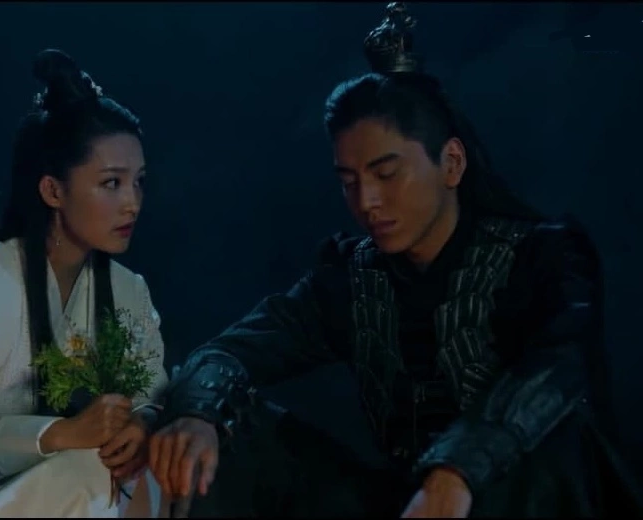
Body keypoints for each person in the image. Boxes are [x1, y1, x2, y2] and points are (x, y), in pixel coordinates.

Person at [148, 3, 643, 517]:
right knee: (225, 423)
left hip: (525, 502)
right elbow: (228, 352)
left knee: (553, 430)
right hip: (409, 507)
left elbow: (560, 367)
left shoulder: (541, 258)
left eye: (387, 174)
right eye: (349, 182)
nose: (367, 201)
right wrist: (200, 413)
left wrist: (458, 470)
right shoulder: (353, 280)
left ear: (451, 163)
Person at [0, 49, 169, 518]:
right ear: (52, 190)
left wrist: (143, 424)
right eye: (112, 183)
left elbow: (154, 395)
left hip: (85, 491)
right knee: (84, 470)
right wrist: (59, 435)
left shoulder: (130, 291)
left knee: (158, 464)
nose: (133, 202)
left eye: (139, 182)